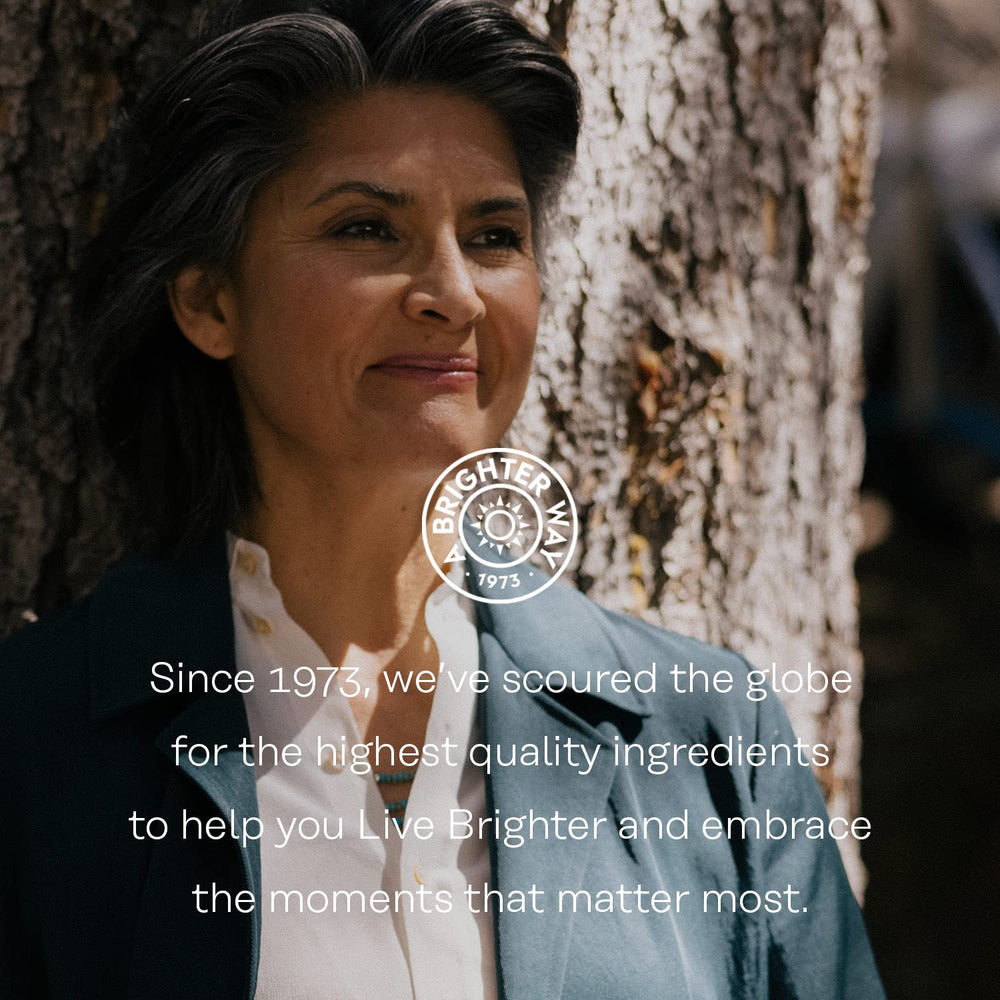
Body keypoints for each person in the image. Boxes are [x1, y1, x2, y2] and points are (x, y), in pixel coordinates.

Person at [0, 1, 886, 998]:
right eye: (367, 228)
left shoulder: (712, 734)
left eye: (495, 236)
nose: (454, 293)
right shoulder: (34, 742)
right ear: (211, 302)